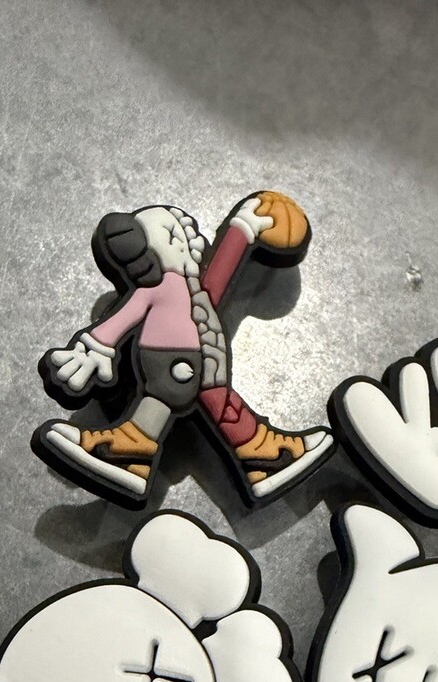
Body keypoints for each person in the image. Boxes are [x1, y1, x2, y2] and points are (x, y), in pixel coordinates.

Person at [34, 190, 333, 506]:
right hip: (172, 361)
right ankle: (259, 456)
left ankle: (259, 458)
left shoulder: (195, 289)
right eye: (172, 236)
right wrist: (94, 349)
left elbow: (223, 270)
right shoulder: (158, 287)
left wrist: (243, 228)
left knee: (212, 403)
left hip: (205, 363)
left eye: (183, 235)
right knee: (168, 397)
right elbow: (125, 316)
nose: (186, 242)